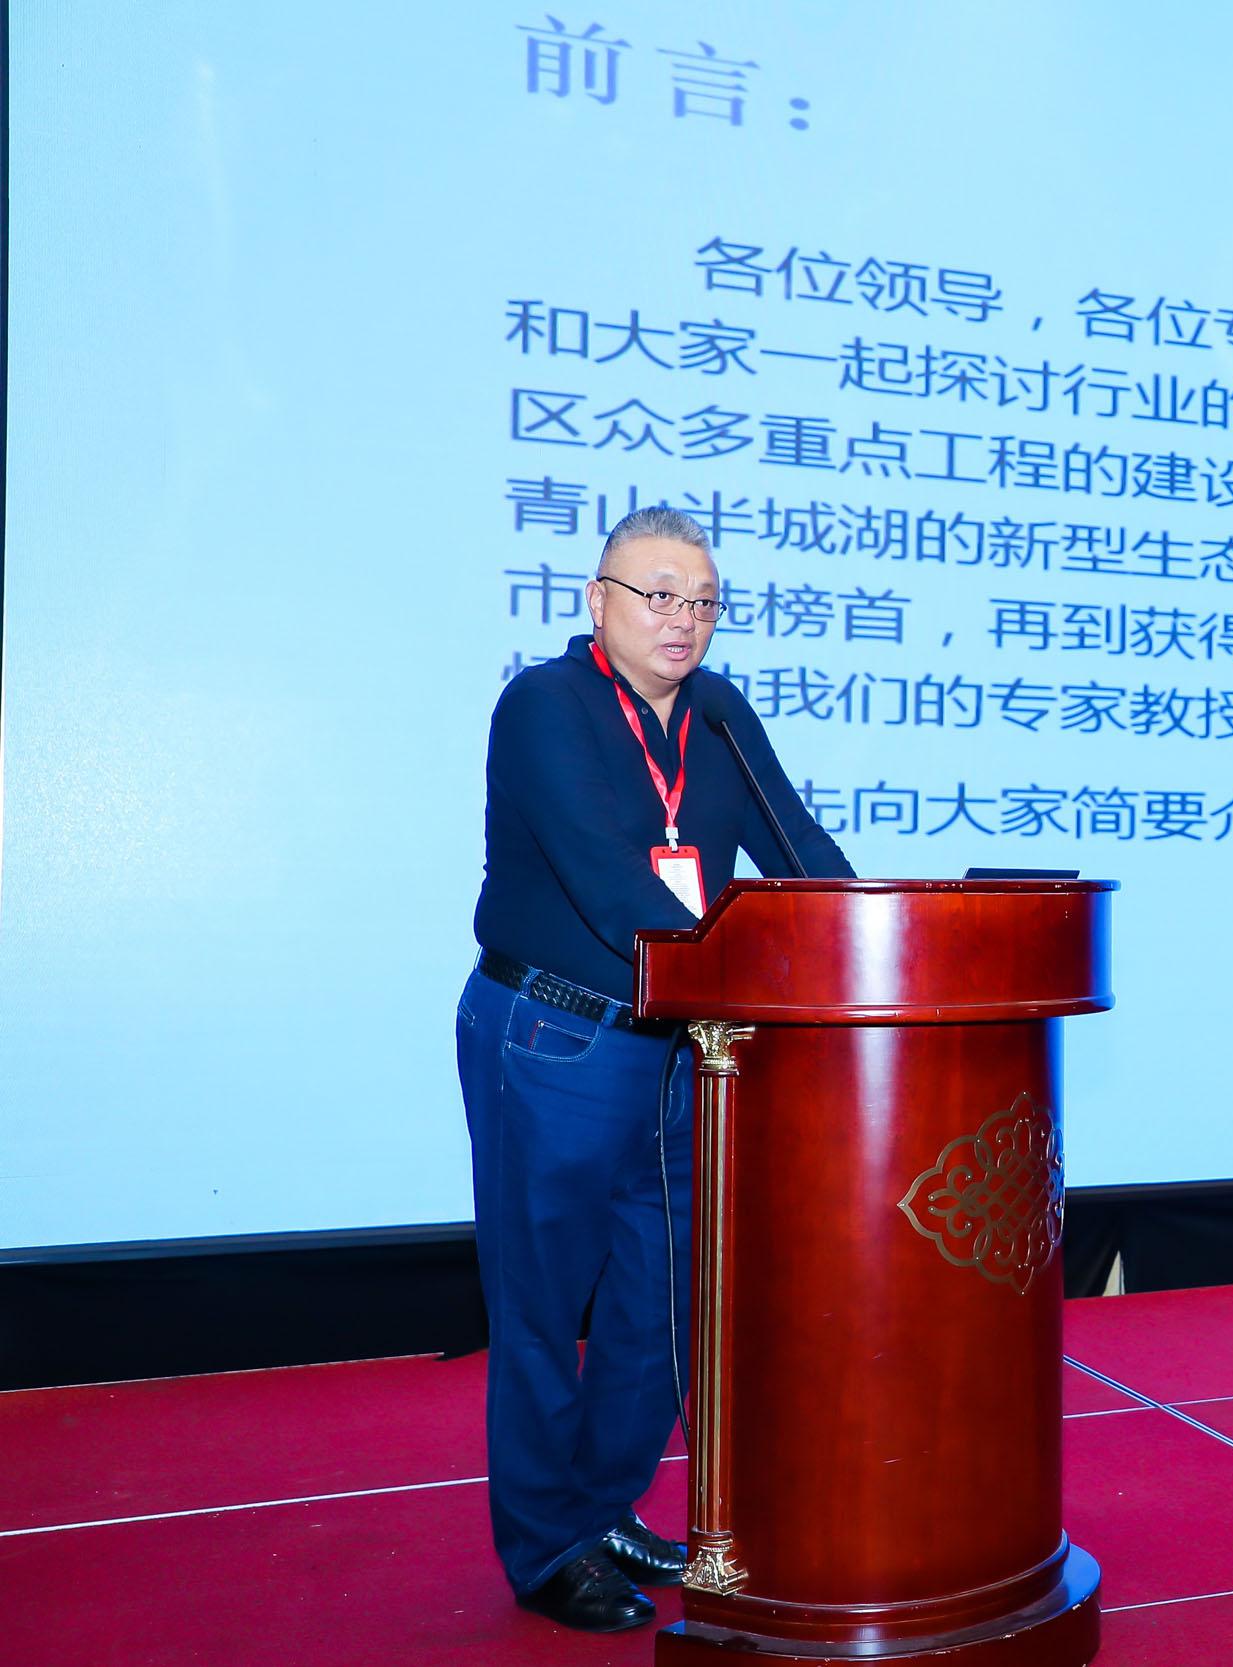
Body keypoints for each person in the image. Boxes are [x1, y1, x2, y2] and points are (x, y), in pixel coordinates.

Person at [455, 506, 856, 1631]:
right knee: (543, 1302)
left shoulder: (718, 713)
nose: (683, 619)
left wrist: (872, 941)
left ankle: (600, 1506)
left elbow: (798, 844)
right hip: (556, 1034)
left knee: (661, 1299)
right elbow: (608, 883)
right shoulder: (546, 705)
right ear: (599, 601)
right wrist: (744, 981)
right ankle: (545, 1547)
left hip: (685, 1047)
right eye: (658, 595)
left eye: (702, 601)